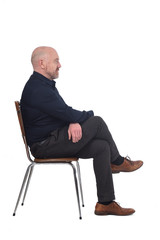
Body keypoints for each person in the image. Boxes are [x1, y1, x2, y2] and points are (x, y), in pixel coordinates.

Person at [20, 46, 143, 216]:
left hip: (54, 138)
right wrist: (78, 117)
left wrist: (73, 120)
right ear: (42, 63)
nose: (60, 65)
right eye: (56, 60)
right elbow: (66, 112)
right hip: (45, 145)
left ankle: (105, 203)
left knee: (101, 147)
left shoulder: (43, 85)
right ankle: (118, 161)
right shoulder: (37, 89)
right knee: (97, 122)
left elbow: (62, 111)